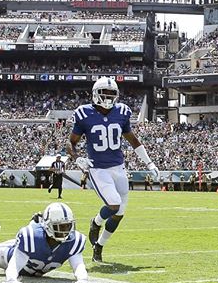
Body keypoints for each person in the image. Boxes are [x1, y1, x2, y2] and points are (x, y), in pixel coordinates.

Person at [67, 76, 160, 264]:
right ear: (95, 94)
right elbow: (71, 142)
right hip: (98, 169)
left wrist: (149, 163)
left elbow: (133, 140)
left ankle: (99, 246)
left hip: (118, 167)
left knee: (120, 213)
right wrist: (77, 159)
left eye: (112, 94)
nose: (108, 97)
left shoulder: (122, 112)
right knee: (114, 204)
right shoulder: (84, 113)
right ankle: (96, 222)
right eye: (105, 93)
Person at [0, 202, 89, 283]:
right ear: (48, 226)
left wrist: (82, 279)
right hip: (5, 255)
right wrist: (11, 279)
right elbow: (15, 263)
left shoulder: (73, 241)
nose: (65, 231)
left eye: (68, 226)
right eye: (60, 227)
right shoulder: (32, 237)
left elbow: (78, 265)